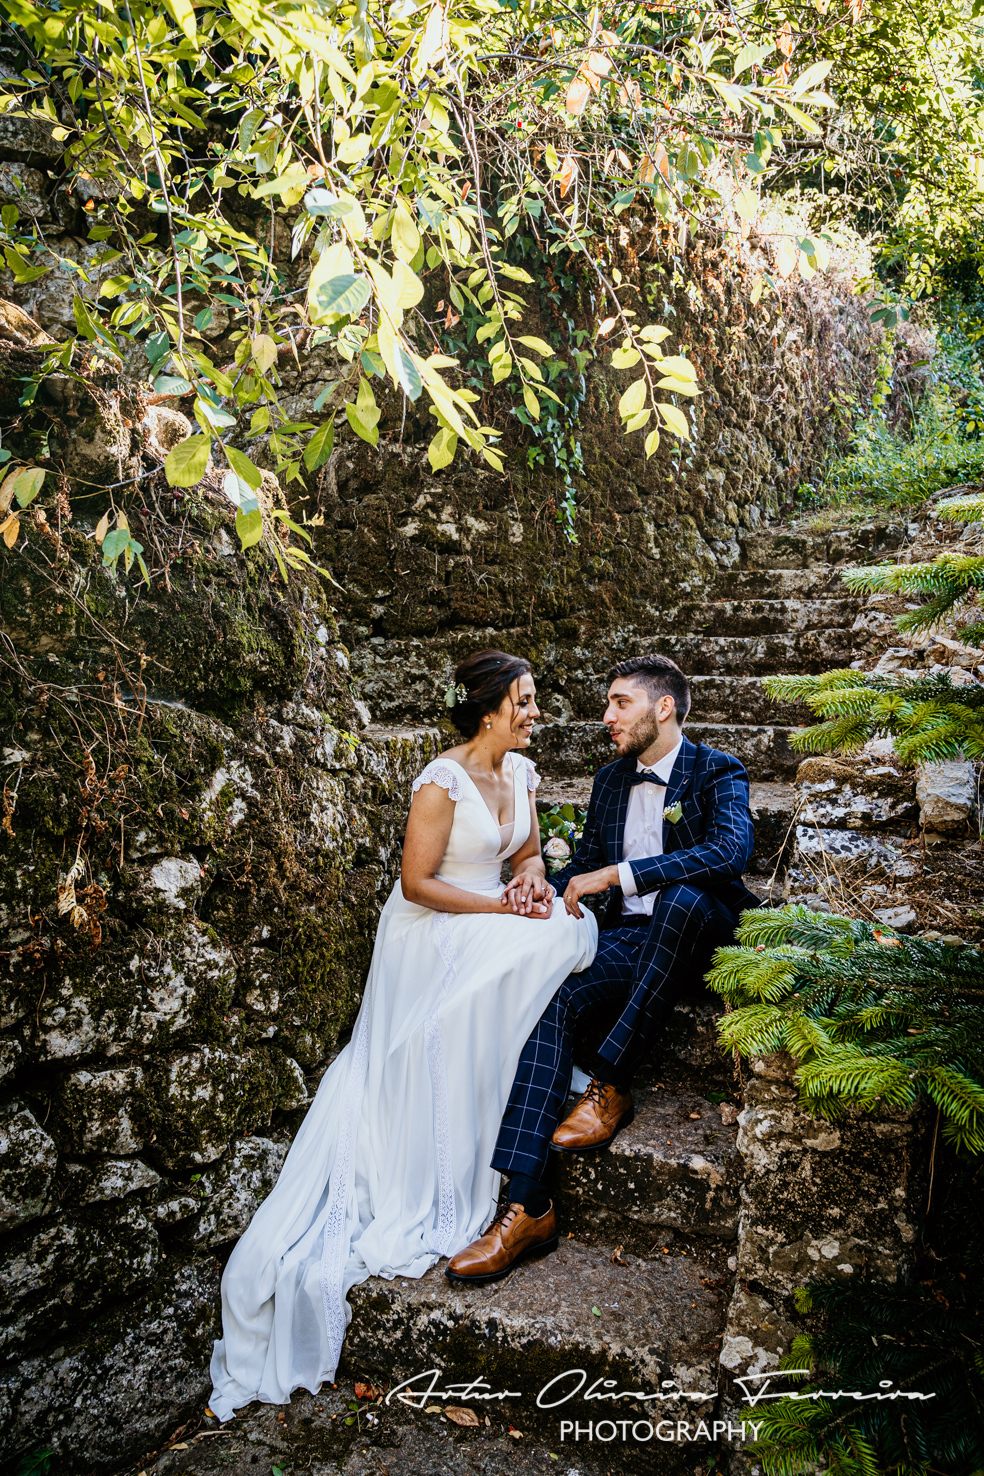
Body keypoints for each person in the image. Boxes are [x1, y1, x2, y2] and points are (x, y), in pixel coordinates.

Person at [208, 650, 597, 1421]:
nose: (535, 712)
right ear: (488, 709)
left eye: (534, 700)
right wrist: (500, 907)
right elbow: (416, 883)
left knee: (564, 924)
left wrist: (530, 878)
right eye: (524, 701)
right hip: (434, 927)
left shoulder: (521, 772)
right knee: (549, 938)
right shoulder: (442, 779)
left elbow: (526, 851)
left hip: (491, 912)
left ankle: (504, 1075)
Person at [447, 652, 759, 1283]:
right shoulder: (611, 780)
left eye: (621, 703)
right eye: (608, 704)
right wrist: (542, 885)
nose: (608, 716)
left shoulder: (717, 769)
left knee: (679, 899)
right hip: (630, 938)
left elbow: (730, 852)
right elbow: (586, 864)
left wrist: (622, 874)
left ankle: (611, 1081)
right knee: (553, 999)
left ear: (663, 708)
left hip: (700, 935)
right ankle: (527, 1205)